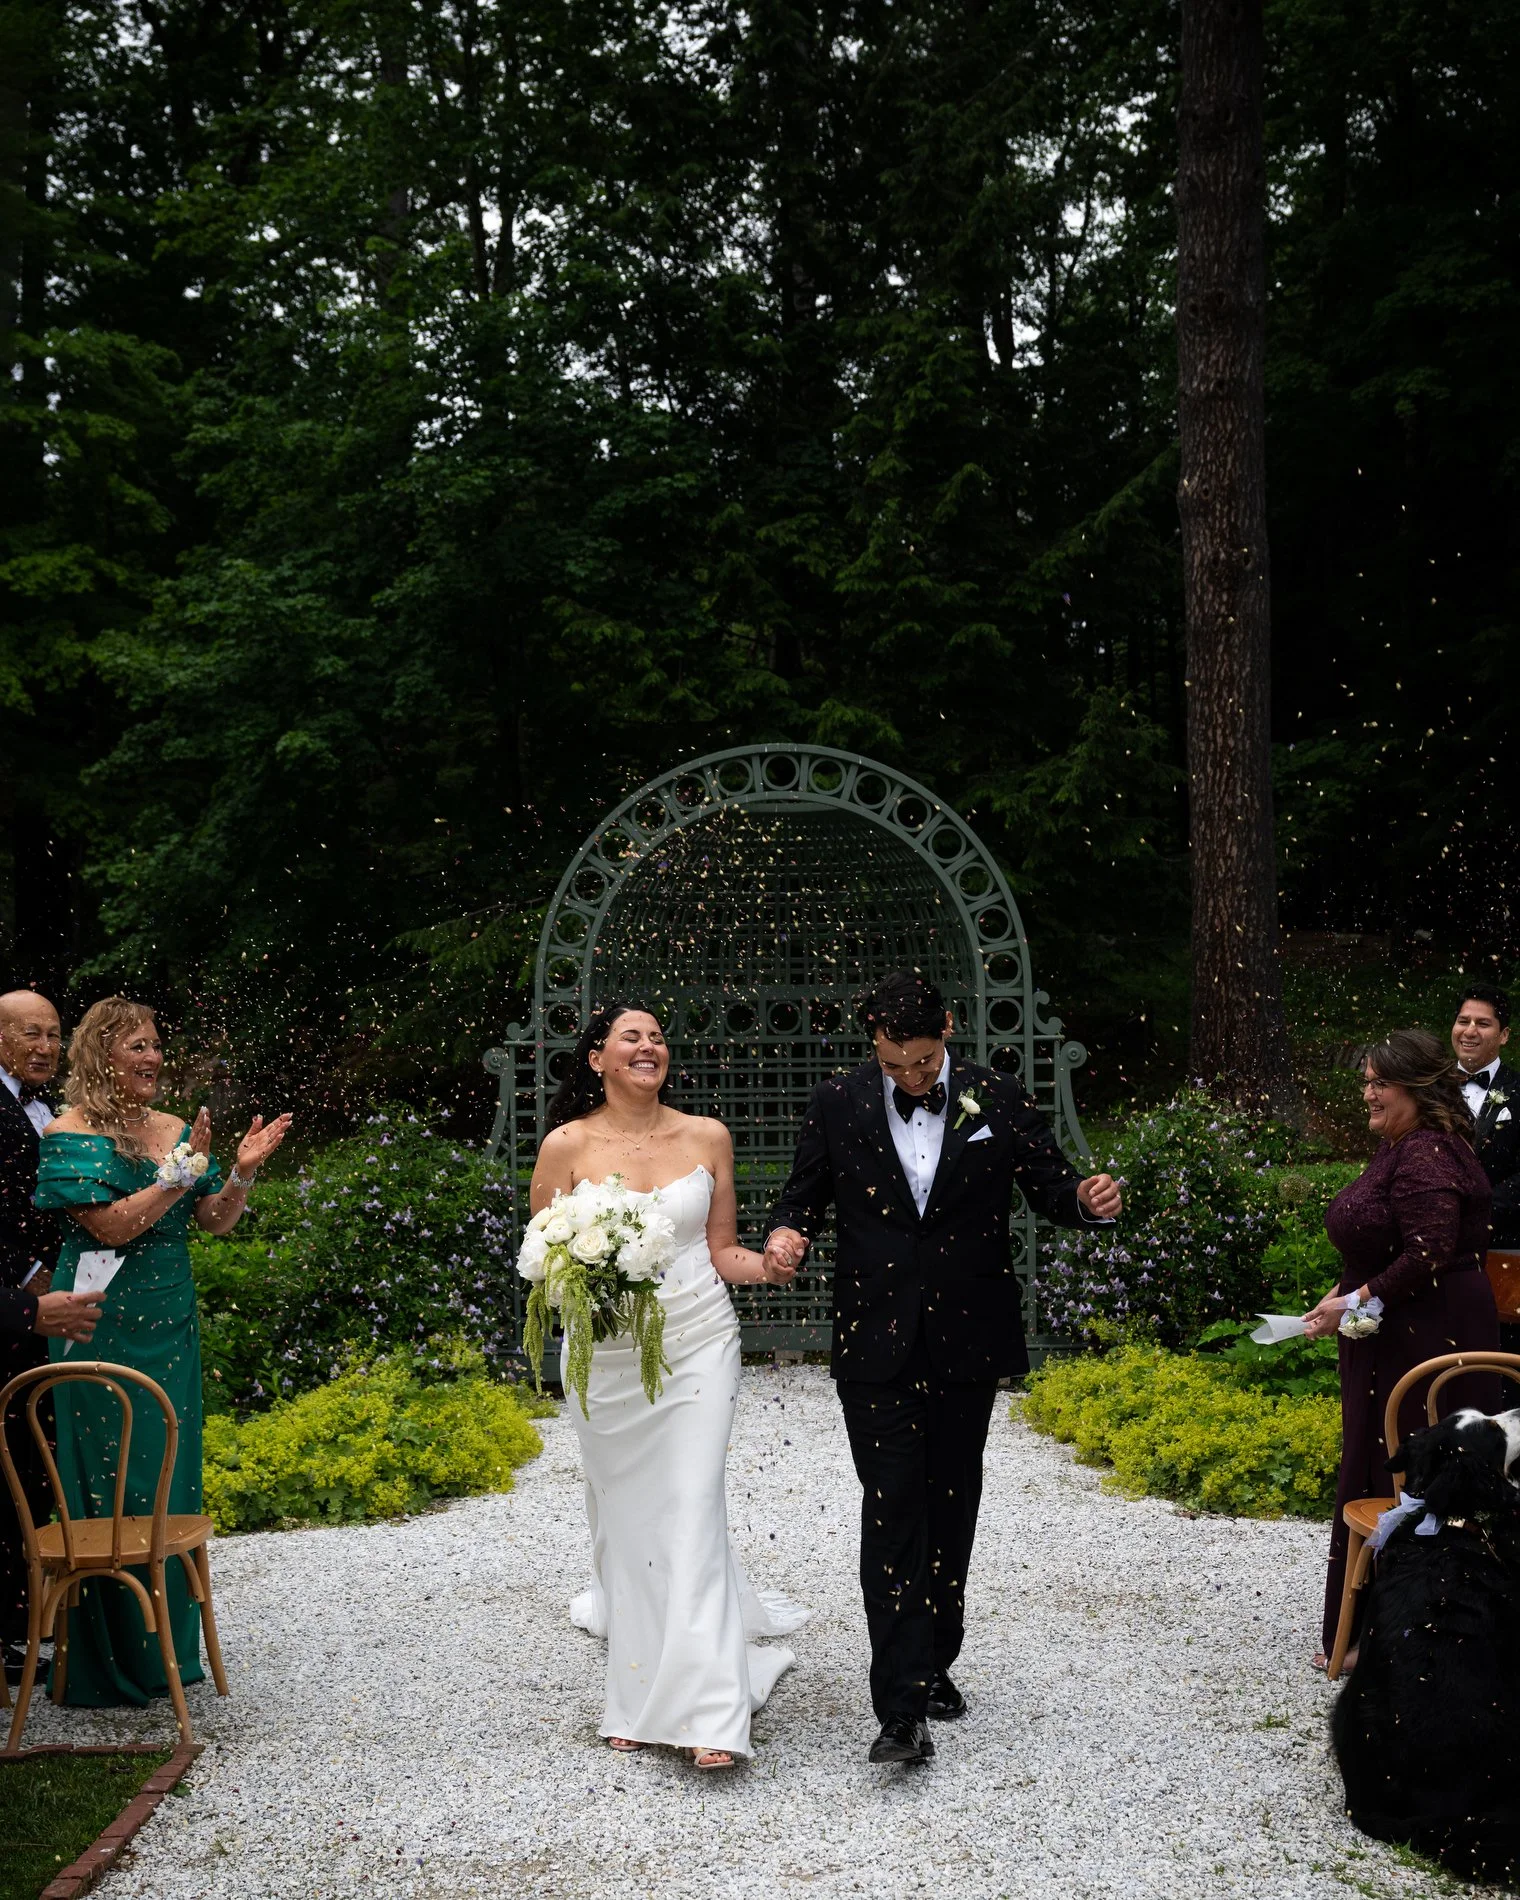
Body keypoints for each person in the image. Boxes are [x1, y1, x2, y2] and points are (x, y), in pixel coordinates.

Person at [763, 970, 1123, 1766]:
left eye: (923, 1063)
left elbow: (1050, 1185)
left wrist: (1087, 1202)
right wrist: (787, 1236)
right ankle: (899, 1711)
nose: (910, 1078)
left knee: (953, 1505)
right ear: (874, 1046)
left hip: (967, 1336)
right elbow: (803, 1197)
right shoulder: (838, 1099)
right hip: (875, 1344)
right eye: (895, 1065)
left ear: (948, 1031)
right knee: (894, 1508)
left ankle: (935, 1663)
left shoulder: (995, 1094)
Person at [529, 1001, 809, 1771]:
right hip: (610, 1360)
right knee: (631, 1524)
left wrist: (772, 1265)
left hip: (699, 1341)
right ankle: (642, 1691)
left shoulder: (706, 1135)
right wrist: (590, 1280)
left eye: (657, 1036)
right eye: (632, 1037)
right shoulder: (565, 1146)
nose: (649, 1046)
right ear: (597, 1059)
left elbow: (723, 1251)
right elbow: (546, 1263)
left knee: (689, 1507)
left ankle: (713, 1714)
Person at [35, 996, 291, 1708]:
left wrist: (238, 1170)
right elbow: (111, 1228)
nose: (152, 1059)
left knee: (171, 1476)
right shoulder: (69, 1131)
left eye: (155, 1046)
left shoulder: (174, 1128)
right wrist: (174, 1177)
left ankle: (170, 1655)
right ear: (101, 1055)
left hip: (170, 1320)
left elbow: (212, 1222)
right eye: (136, 1047)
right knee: (112, 1480)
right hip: (96, 1321)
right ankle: (108, 1661)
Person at [1302, 1028, 1497, 1672]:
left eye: (1378, 1082)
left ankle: (1416, 1632)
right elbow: (1392, 1244)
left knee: (1411, 1472)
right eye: (1365, 1081)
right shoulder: (1405, 1146)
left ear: (1415, 1089)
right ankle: (1373, 1628)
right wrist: (1343, 1295)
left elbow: (1428, 1251)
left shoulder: (1428, 1153)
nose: (1367, 1094)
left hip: (1428, 1336)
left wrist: (1356, 1300)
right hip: (1398, 1330)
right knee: (1378, 1464)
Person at [0, 988, 66, 1679]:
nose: (45, 1045)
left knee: (32, 1460)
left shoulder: (49, 1107)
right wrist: (29, 1275)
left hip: (48, 1318)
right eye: (30, 1034)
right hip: (13, 1307)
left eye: (52, 1034)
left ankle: (26, 1624)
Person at [1451, 986, 1520, 1248]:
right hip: (1426, 1242)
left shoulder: (1518, 1091)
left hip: (1498, 1243)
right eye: (1463, 1021)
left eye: (1483, 1023)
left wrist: (1470, 1218)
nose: (1469, 1031)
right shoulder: (1426, 1089)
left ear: (1503, 1035)